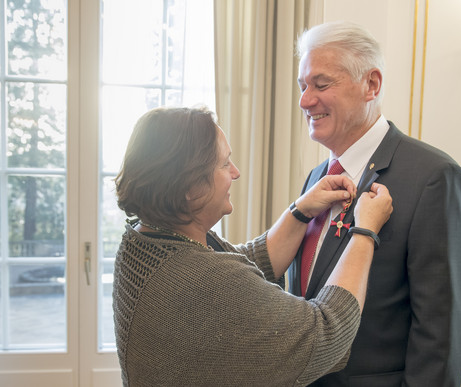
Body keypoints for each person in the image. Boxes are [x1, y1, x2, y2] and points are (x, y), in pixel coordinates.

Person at [112, 106, 393, 387]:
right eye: (224, 164)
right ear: (189, 186)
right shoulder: (206, 283)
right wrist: (364, 233)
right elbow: (326, 331)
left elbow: (242, 264)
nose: (235, 172)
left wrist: (300, 211)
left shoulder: (140, 242)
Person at [288, 21, 461, 386]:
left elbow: (442, 332)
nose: (305, 101)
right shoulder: (315, 179)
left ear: (371, 84)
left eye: (321, 84)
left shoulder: (434, 178)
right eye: (302, 86)